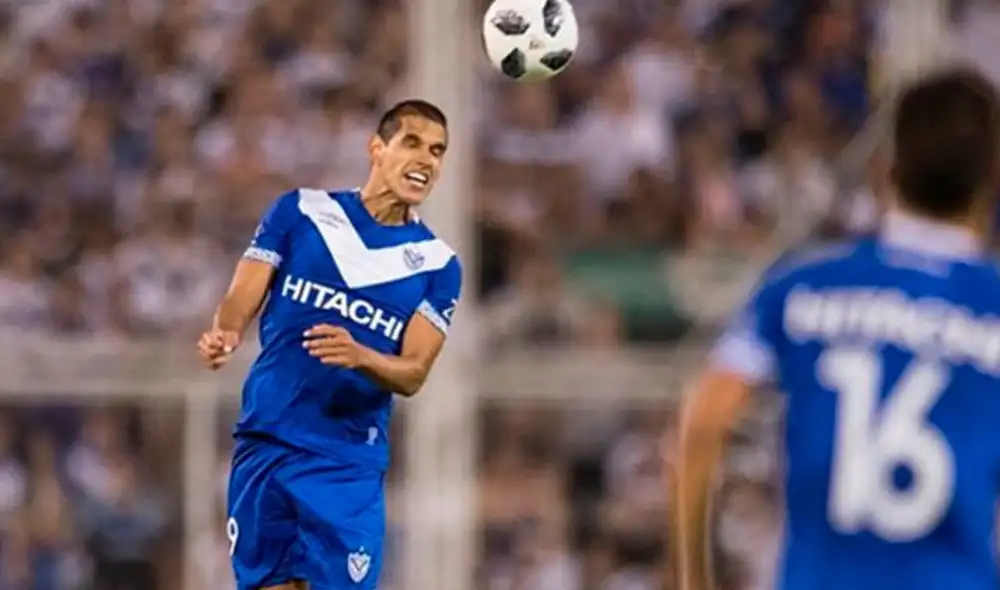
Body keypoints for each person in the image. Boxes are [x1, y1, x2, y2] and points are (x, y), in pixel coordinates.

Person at [672, 68, 1000, 590]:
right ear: (992, 177)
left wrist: (691, 579)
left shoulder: (800, 290)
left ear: (886, 169)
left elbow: (704, 420)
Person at [195, 99, 462, 590]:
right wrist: (226, 331)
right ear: (376, 149)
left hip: (345, 463)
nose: (427, 160)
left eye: (438, 151)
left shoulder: (437, 266)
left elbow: (416, 371)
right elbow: (242, 294)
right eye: (413, 144)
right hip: (268, 440)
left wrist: (361, 356)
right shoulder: (301, 211)